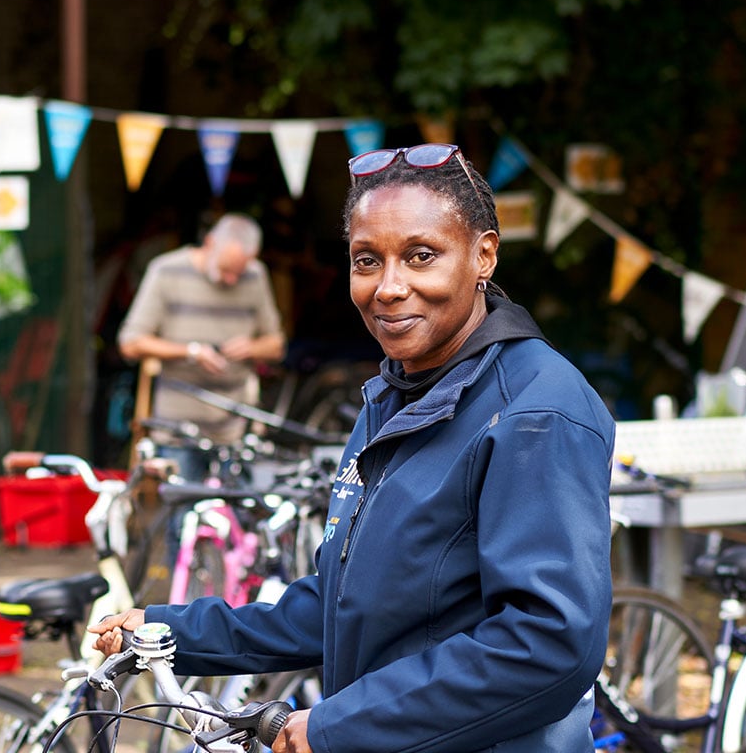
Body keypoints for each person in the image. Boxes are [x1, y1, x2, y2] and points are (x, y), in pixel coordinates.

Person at [93, 143, 616, 753]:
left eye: (421, 256)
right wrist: (170, 630)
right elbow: (342, 607)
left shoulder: (536, 411)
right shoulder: (395, 395)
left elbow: (547, 646)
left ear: (484, 256)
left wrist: (337, 726)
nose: (390, 287)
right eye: (367, 260)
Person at [117, 211, 286, 479]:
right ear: (209, 244)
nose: (232, 280)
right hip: (179, 431)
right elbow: (131, 343)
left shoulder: (255, 274)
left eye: (238, 272)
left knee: (234, 516)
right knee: (183, 514)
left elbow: (276, 345)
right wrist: (190, 351)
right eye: (226, 270)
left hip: (235, 429)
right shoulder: (166, 270)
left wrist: (252, 348)